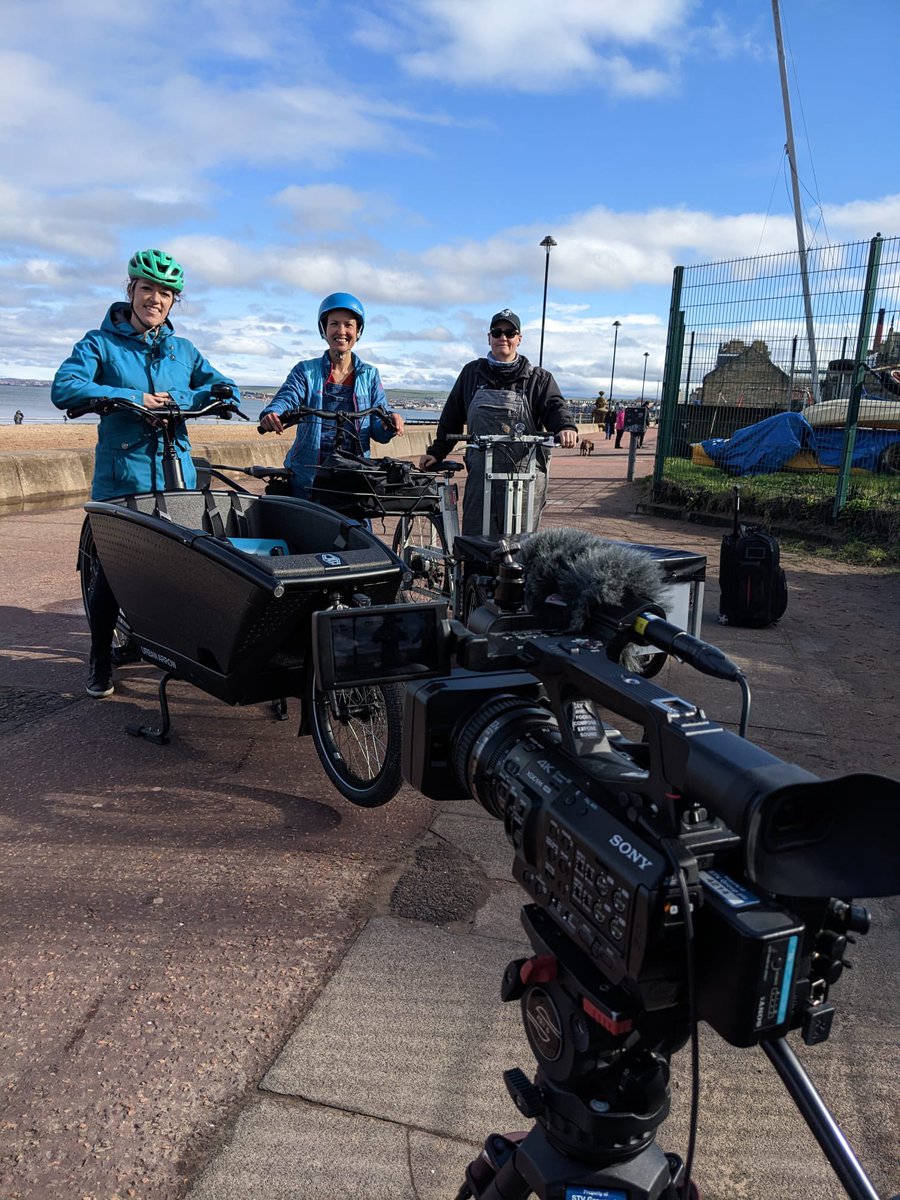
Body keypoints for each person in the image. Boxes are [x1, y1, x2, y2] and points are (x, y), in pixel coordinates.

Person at [52, 248, 241, 699]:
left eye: (165, 293)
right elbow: (65, 386)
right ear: (131, 291)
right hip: (123, 480)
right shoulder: (100, 344)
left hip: (174, 473)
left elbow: (223, 386)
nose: (155, 299)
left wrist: (187, 401)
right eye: (147, 289)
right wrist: (128, 395)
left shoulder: (184, 350)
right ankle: (99, 657)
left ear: (174, 301)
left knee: (186, 565)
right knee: (115, 573)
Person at [419, 309, 577, 536]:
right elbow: (452, 415)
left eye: (510, 332)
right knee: (476, 535)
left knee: (521, 540)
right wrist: (438, 451)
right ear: (489, 337)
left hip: (524, 473)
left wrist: (565, 427)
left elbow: (555, 406)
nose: (503, 337)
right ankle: (473, 572)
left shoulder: (538, 379)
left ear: (519, 339)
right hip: (482, 471)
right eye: (497, 332)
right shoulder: (472, 373)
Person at [258, 292, 404, 498]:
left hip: (354, 476)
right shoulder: (305, 371)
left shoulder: (370, 375)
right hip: (308, 476)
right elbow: (287, 397)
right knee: (300, 527)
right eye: (334, 324)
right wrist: (273, 413)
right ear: (324, 330)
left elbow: (378, 427)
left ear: (358, 331)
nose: (341, 331)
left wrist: (389, 424)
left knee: (359, 530)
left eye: (348, 325)